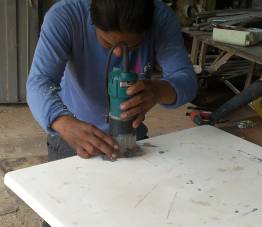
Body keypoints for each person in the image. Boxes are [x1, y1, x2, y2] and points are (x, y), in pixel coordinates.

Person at [27, 0, 197, 225]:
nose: (119, 53)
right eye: (108, 43)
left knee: (131, 213)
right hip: (72, 140)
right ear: (92, 18)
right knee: (65, 217)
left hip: (131, 138)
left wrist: (159, 90)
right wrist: (62, 120)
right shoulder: (65, 16)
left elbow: (186, 80)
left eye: (133, 47)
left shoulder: (161, 17)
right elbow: (39, 82)